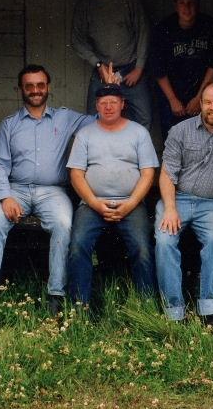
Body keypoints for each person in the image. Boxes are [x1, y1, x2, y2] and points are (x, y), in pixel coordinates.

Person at [0, 64, 93, 315]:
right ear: (21, 90)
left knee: (63, 224)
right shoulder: (9, 125)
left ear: (48, 87)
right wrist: (5, 197)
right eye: (29, 86)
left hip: (53, 191)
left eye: (40, 85)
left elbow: (100, 117)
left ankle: (56, 293)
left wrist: (107, 84)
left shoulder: (65, 117)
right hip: (16, 189)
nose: (35, 91)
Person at [66, 84, 159, 305]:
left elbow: (148, 173)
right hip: (92, 204)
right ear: (97, 105)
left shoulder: (139, 132)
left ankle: (147, 306)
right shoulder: (85, 134)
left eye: (113, 102)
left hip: (131, 204)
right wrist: (94, 203)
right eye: (103, 103)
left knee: (142, 249)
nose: (108, 107)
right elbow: (76, 174)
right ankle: (79, 306)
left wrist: (131, 203)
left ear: (122, 104)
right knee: (78, 245)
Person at [155, 81, 213, 325]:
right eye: (208, 102)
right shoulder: (180, 131)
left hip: (211, 205)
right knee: (165, 242)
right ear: (200, 103)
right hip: (176, 199)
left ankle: (210, 311)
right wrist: (169, 208)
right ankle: (174, 312)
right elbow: (167, 173)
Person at [149, 0, 213, 139]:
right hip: (171, 94)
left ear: (198, 4)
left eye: (191, 3)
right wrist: (172, 100)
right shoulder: (163, 28)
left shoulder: (210, 26)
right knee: (173, 138)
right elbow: (157, 68)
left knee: (202, 137)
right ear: (175, 5)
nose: (186, 8)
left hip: (200, 91)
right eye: (182, 3)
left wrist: (200, 98)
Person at [71, 0, 152, 129]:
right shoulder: (86, 4)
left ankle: (131, 151)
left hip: (130, 69)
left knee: (144, 117)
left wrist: (139, 67)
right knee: (92, 119)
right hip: (102, 71)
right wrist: (97, 64)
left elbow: (143, 31)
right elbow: (77, 41)